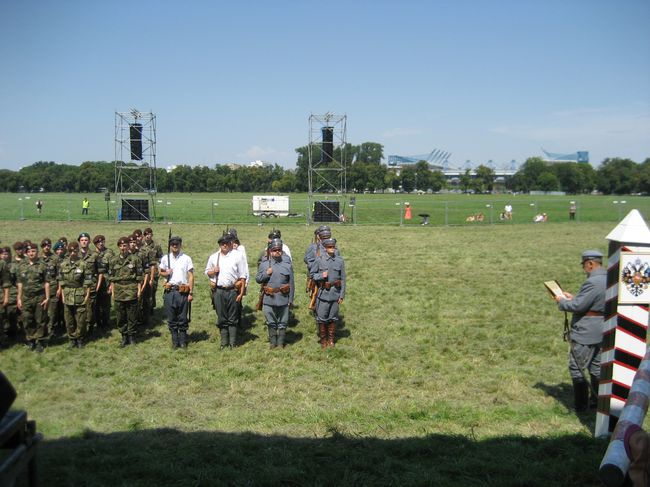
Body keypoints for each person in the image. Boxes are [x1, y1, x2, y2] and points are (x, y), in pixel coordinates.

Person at [555, 250, 606, 412]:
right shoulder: (608, 277)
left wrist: (562, 302)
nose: (584, 268)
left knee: (577, 368)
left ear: (590, 263)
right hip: (602, 329)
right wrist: (574, 298)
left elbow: (578, 307)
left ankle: (581, 407)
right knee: (597, 367)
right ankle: (598, 403)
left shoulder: (592, 282)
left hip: (586, 331)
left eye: (584, 264)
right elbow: (592, 302)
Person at [205, 233, 247, 349]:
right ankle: (224, 342)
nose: (224, 245)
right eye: (222, 243)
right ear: (219, 245)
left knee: (233, 317)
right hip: (219, 290)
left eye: (227, 243)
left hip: (232, 290)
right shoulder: (214, 257)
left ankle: (233, 343)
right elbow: (207, 272)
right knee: (222, 317)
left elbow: (243, 276)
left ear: (230, 244)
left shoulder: (237, 257)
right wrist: (213, 271)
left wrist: (241, 293)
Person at [255, 237, 294, 349]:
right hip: (269, 298)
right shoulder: (264, 264)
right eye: (274, 250)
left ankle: (281, 343)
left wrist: (290, 300)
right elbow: (258, 279)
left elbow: (292, 283)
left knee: (283, 322)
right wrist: (267, 273)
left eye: (279, 250)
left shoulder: (287, 265)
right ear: (270, 251)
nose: (277, 252)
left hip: (283, 297)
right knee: (271, 321)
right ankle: (273, 342)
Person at [309, 237, 346, 348]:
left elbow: (343, 278)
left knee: (333, 318)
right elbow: (312, 275)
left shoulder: (339, 260)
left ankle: (331, 340)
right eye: (330, 247)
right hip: (323, 294)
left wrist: (342, 294)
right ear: (325, 248)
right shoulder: (319, 260)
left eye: (333, 247)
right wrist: (321, 276)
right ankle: (323, 340)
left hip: (335, 294)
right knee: (322, 318)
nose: (332, 249)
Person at [159, 235, 194, 349]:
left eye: (177, 244)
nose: (175, 246)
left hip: (182, 291)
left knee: (183, 317)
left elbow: (190, 276)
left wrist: (191, 292)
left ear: (180, 245)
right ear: (170, 246)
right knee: (171, 317)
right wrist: (166, 273)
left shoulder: (186, 258)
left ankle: (183, 341)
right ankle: (175, 341)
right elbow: (161, 272)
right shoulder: (165, 258)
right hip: (170, 291)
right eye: (173, 244)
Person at [107, 237, 143, 347]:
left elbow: (139, 276)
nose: (123, 248)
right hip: (118, 290)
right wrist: (112, 291)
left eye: (125, 245)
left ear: (128, 246)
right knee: (120, 315)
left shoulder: (135, 259)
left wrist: (139, 289)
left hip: (131, 289)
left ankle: (132, 336)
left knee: (132, 314)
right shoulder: (113, 260)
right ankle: (124, 335)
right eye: (121, 246)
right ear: (119, 247)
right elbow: (112, 277)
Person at [16, 243, 51, 352]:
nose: (31, 253)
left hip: (39, 296)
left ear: (37, 252)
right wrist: (19, 298)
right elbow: (20, 283)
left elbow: (47, 282)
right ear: (26, 253)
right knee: (27, 319)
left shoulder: (42, 265)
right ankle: (31, 340)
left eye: (34, 251)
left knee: (40, 320)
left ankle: (40, 341)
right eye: (29, 251)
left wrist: (47, 297)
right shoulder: (21, 265)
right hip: (26, 297)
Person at [58, 242, 92, 348]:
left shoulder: (83, 264)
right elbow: (61, 281)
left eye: (75, 251)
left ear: (78, 251)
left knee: (81, 319)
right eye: (71, 251)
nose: (73, 253)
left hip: (79, 294)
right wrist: (63, 295)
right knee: (69, 320)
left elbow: (88, 280)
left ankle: (80, 338)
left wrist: (87, 295)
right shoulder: (63, 264)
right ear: (68, 252)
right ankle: (72, 339)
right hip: (67, 295)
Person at [93, 235, 112, 329]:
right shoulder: (92, 254)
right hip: (95, 281)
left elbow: (112, 269)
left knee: (106, 304)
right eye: (98, 242)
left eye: (102, 242)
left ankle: (106, 322)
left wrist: (111, 285)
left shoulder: (109, 253)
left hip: (106, 282)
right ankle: (97, 322)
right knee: (96, 303)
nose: (100, 244)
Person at [142, 228, 163, 312]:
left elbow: (161, 257)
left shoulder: (156, 246)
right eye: (146, 234)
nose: (148, 236)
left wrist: (162, 268)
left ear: (152, 235)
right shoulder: (141, 245)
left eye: (150, 234)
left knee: (152, 291)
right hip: (144, 272)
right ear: (144, 236)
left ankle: (151, 308)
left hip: (154, 272)